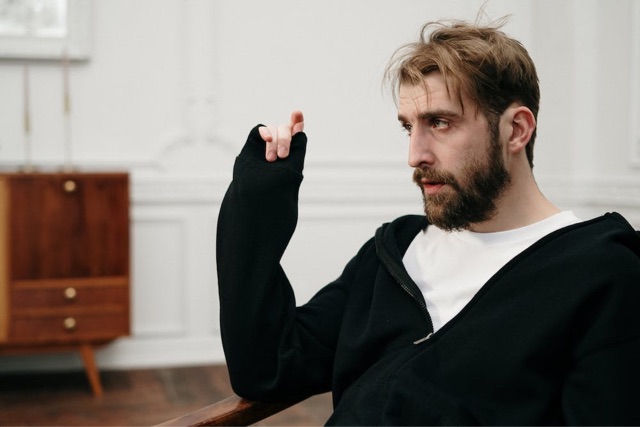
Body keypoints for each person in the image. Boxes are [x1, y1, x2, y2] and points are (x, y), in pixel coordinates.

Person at [216, 18, 640, 425]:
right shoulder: (394, 252)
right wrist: (257, 202)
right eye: (408, 128)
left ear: (516, 130)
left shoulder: (599, 275)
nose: (414, 155)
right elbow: (267, 368)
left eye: (439, 123)